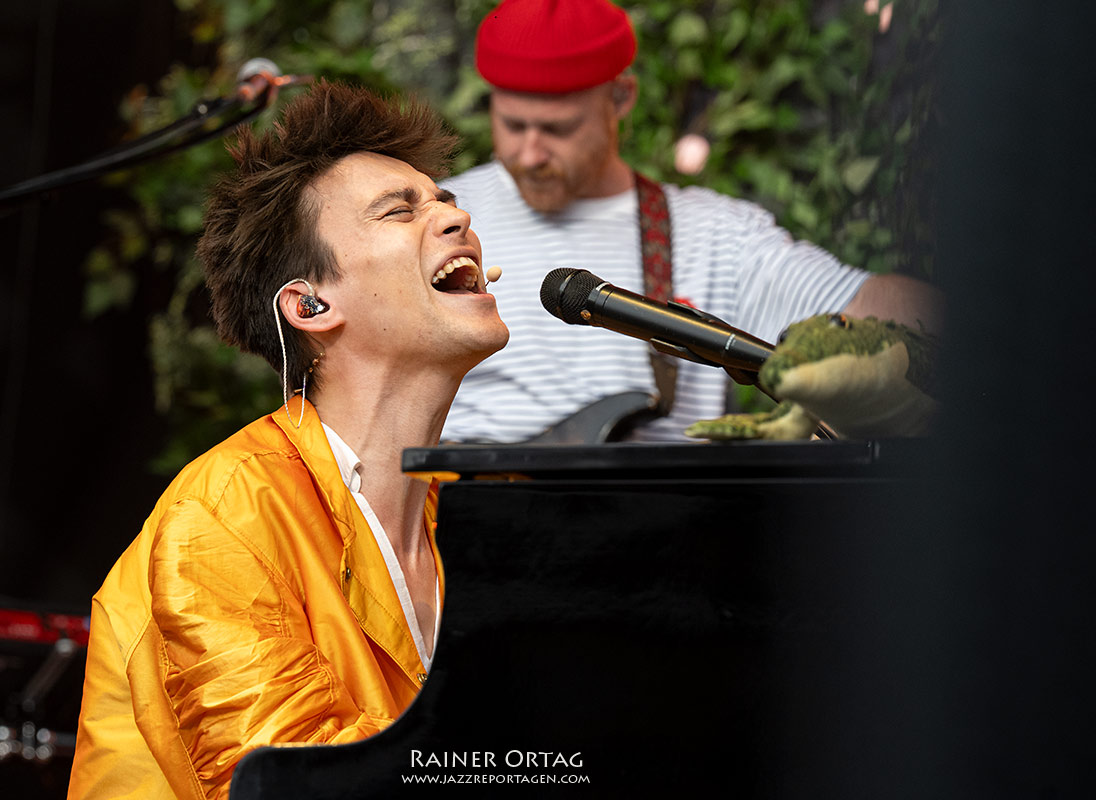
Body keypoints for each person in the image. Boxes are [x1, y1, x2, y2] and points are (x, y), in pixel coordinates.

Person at [67, 81, 508, 800]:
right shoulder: (223, 516)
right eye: (402, 209)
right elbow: (307, 785)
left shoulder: (482, 516)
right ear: (310, 303)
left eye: (445, 199)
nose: (456, 217)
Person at [439, 0, 942, 443]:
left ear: (621, 98)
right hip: (454, 529)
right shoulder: (441, 214)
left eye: (557, 129)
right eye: (511, 124)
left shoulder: (717, 234)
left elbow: (865, 308)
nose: (529, 153)